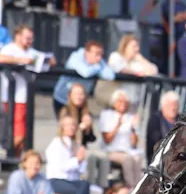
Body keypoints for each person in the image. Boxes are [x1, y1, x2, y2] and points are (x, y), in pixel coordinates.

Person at [0, 25, 54, 155]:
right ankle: (7, 154)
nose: (30, 41)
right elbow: (1, 58)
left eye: (31, 38)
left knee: (24, 136)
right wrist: (20, 60)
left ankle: (13, 159)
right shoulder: (10, 48)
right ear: (18, 36)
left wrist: (49, 60)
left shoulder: (30, 51)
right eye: (27, 38)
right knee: (17, 134)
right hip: (13, 97)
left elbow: (48, 60)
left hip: (27, 98)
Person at [44, 114, 95, 194]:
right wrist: (78, 159)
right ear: (62, 128)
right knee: (83, 189)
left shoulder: (75, 144)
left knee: (84, 188)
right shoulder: (57, 143)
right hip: (56, 180)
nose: (71, 127)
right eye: (67, 125)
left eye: (73, 125)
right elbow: (62, 166)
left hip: (71, 181)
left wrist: (81, 160)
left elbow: (80, 170)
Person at [53, 41, 114, 118]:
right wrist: (98, 67)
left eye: (101, 54)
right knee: (68, 126)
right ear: (87, 53)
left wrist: (97, 66)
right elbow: (85, 73)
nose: (99, 58)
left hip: (80, 101)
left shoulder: (98, 62)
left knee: (84, 125)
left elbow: (110, 75)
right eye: (97, 54)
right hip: (63, 100)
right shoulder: (76, 57)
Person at [98, 89, 144, 187]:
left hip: (128, 150)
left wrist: (132, 128)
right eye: (120, 101)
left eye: (126, 102)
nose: (123, 104)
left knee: (137, 158)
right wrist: (117, 126)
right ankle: (130, 186)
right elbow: (107, 140)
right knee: (128, 159)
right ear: (114, 103)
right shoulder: (106, 115)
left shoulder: (131, 117)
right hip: (112, 151)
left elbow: (134, 143)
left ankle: (138, 186)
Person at [108, 33, 159, 104]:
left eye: (138, 46)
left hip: (134, 102)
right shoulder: (115, 56)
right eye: (134, 46)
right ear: (125, 47)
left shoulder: (136, 62)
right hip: (118, 101)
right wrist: (136, 74)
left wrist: (141, 59)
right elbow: (119, 69)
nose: (137, 49)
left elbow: (153, 71)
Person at [58, 83, 97, 148]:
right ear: (70, 96)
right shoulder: (66, 111)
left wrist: (87, 129)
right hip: (68, 146)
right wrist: (80, 128)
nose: (78, 97)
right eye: (75, 94)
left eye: (81, 94)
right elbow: (65, 133)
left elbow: (91, 139)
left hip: (82, 148)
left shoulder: (86, 113)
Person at [146, 91, 180, 158]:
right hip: (158, 157)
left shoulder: (181, 120)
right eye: (170, 105)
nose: (173, 108)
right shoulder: (155, 119)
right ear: (163, 106)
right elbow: (155, 143)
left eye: (175, 105)